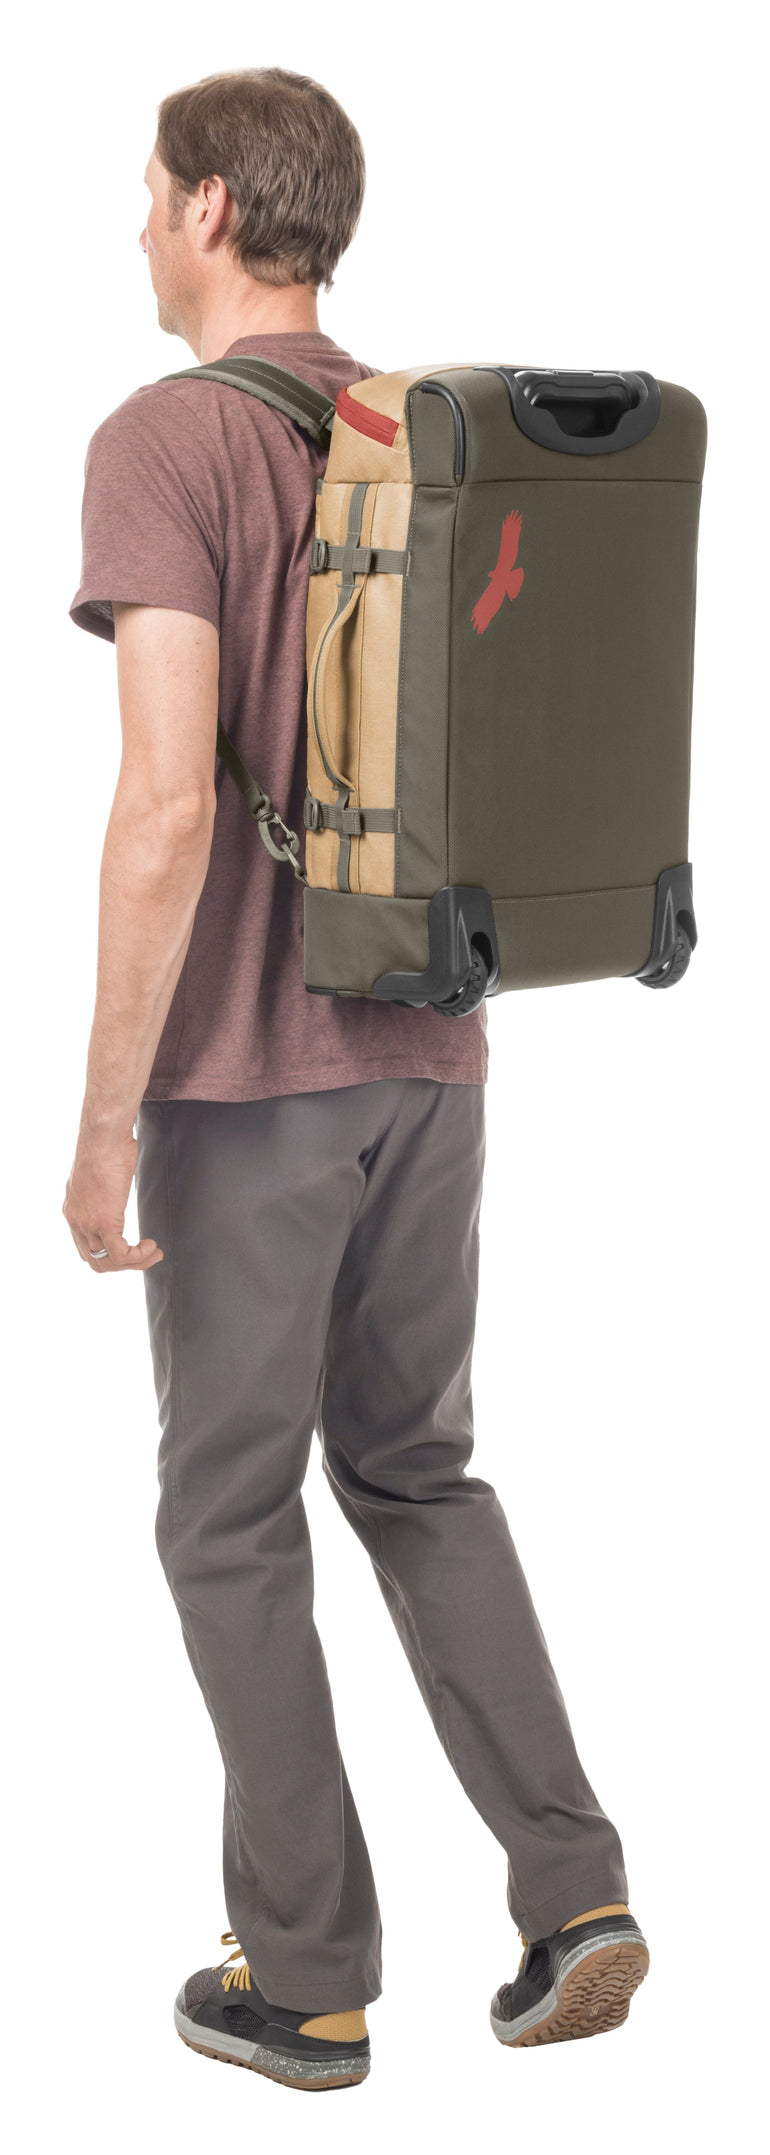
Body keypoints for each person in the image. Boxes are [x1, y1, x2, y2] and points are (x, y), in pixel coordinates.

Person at [62, 65, 649, 2093]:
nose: (138, 226)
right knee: (415, 1471)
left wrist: (102, 1125)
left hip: (251, 1077)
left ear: (214, 209)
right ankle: (574, 1889)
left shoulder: (166, 440)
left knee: (225, 1517)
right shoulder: (416, 435)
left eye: (149, 193)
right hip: (436, 1055)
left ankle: (304, 1978)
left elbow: (166, 806)